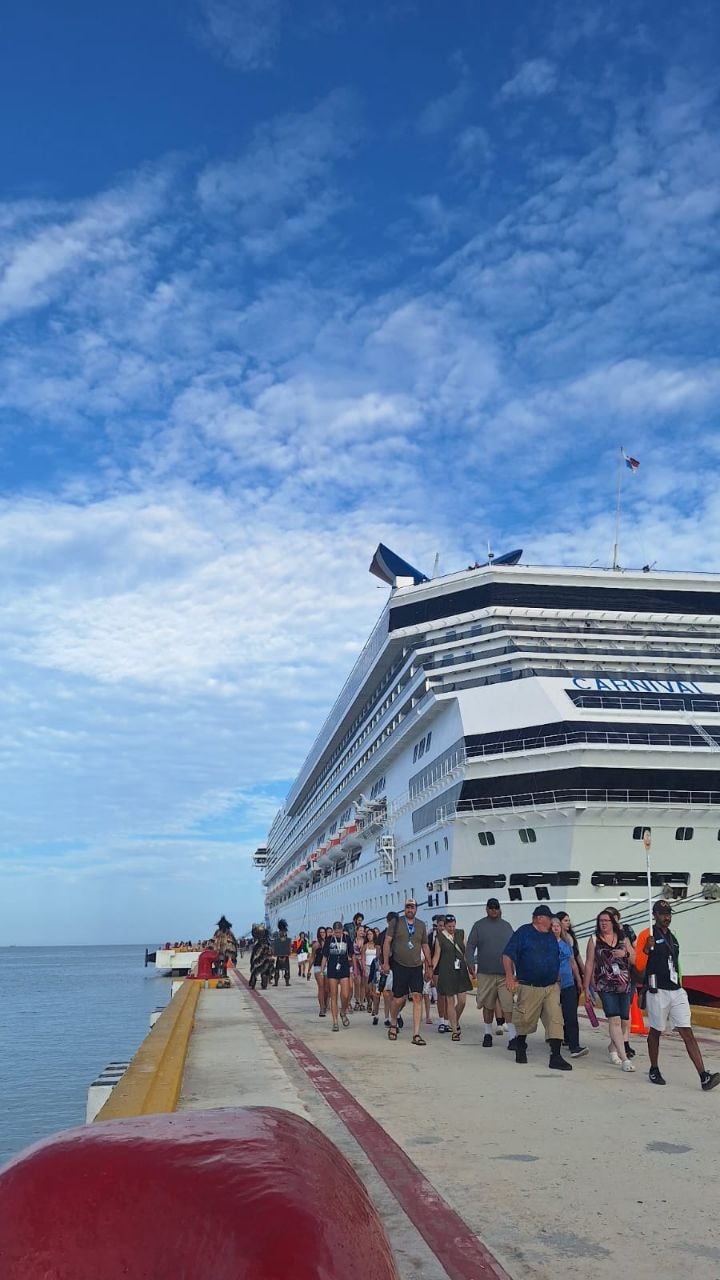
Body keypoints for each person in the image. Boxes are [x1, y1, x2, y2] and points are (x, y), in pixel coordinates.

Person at [635, 900, 720, 1091]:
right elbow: (639, 969)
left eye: (669, 914)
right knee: (656, 1031)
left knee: (687, 1031)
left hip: (676, 990)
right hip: (657, 991)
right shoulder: (646, 935)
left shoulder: (674, 937)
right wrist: (647, 949)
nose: (667, 917)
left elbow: (676, 964)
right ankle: (654, 1068)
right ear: (654, 915)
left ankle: (703, 1076)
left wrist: (681, 985)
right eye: (663, 914)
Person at [502, 905, 571, 1070]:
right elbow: (507, 955)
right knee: (525, 1019)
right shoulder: (523, 932)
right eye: (549, 918)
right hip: (529, 985)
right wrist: (510, 976)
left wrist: (557, 975)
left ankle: (555, 1056)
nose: (552, 922)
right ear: (539, 918)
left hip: (551, 986)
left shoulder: (550, 936)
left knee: (555, 1019)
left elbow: (555, 956)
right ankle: (520, 1046)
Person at [583, 910, 636, 1072]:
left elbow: (634, 959)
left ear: (613, 922)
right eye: (600, 921)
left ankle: (612, 1048)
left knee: (625, 1021)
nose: (603, 923)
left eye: (606, 920)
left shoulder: (623, 939)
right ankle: (624, 1058)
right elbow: (589, 964)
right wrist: (586, 988)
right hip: (605, 985)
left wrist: (625, 953)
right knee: (614, 1020)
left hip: (624, 984)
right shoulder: (594, 940)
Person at [465, 898, 516, 1049]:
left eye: (496, 907)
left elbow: (515, 948)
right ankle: (487, 1033)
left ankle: (512, 1036)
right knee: (488, 1004)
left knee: (508, 1005)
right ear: (486, 909)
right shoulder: (479, 926)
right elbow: (470, 946)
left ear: (500, 909)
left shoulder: (507, 926)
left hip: (504, 974)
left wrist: (517, 970)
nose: (494, 910)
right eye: (491, 907)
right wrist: (470, 963)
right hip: (485, 973)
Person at [382, 899, 433, 1045]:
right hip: (399, 965)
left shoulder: (421, 925)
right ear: (404, 908)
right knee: (399, 999)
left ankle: (416, 1034)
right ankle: (393, 1022)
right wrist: (385, 962)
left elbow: (425, 945)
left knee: (418, 997)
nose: (410, 909)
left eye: (412, 907)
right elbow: (387, 941)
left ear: (416, 909)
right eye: (407, 907)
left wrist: (429, 966)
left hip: (416, 966)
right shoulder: (396, 923)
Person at [432, 914, 473, 1040]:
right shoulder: (440, 937)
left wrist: (471, 966)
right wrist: (430, 970)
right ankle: (455, 1030)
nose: (452, 928)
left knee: (462, 1001)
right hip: (446, 971)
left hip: (460, 971)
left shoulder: (461, 933)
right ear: (444, 926)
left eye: (453, 926)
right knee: (450, 1001)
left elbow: (466, 951)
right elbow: (437, 955)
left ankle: (454, 1020)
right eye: (449, 926)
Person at [551, 915, 587, 1058]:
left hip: (568, 983)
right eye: (552, 926)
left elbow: (573, 963)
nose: (555, 928)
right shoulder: (547, 945)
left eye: (557, 926)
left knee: (571, 1015)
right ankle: (556, 1043)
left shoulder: (566, 944)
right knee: (555, 1016)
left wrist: (578, 980)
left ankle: (574, 1046)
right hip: (553, 985)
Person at [321, 921, 353, 1031]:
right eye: (336, 932)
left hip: (344, 968)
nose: (338, 934)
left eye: (339, 932)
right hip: (332, 969)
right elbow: (325, 956)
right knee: (333, 995)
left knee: (345, 994)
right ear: (333, 931)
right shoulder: (329, 940)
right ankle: (335, 1022)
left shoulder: (347, 938)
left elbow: (351, 954)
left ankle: (343, 1011)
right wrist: (322, 970)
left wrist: (354, 969)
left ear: (342, 930)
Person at [376, 911, 398, 1027]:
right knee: (386, 993)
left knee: (394, 994)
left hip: (396, 966)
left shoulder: (399, 934)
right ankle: (388, 1017)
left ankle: (394, 1015)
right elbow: (378, 952)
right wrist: (382, 964)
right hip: (388, 966)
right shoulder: (383, 935)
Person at [429, 914, 450, 1032]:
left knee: (449, 996)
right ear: (437, 925)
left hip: (448, 968)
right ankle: (442, 1021)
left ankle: (447, 1021)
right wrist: (429, 969)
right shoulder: (431, 937)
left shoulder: (450, 937)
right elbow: (429, 954)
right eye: (440, 925)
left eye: (443, 926)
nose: (441, 928)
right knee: (440, 996)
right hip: (437, 969)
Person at [309, 927, 329, 1016]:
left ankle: (325, 1004)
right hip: (317, 967)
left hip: (328, 967)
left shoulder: (329, 943)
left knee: (327, 989)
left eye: (323, 932)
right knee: (321, 987)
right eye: (320, 932)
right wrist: (308, 969)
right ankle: (321, 1008)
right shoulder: (316, 945)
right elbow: (312, 957)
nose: (322, 934)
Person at [248, 923, 273, 990]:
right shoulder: (267, 943)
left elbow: (254, 956)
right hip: (266, 954)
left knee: (255, 969)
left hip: (261, 953)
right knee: (265, 970)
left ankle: (253, 982)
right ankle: (263, 982)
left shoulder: (257, 944)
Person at [272, 919, 292, 986]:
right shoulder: (283, 936)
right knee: (284, 969)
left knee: (278, 969)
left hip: (281, 954)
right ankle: (285, 982)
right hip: (283, 954)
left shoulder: (279, 936)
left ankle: (277, 982)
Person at [351, 925, 367, 1011]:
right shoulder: (353, 941)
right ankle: (357, 1001)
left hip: (363, 962)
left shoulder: (365, 942)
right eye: (360, 930)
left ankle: (362, 1002)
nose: (361, 932)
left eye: (362, 930)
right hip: (355, 962)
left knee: (363, 984)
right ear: (356, 931)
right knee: (357, 982)